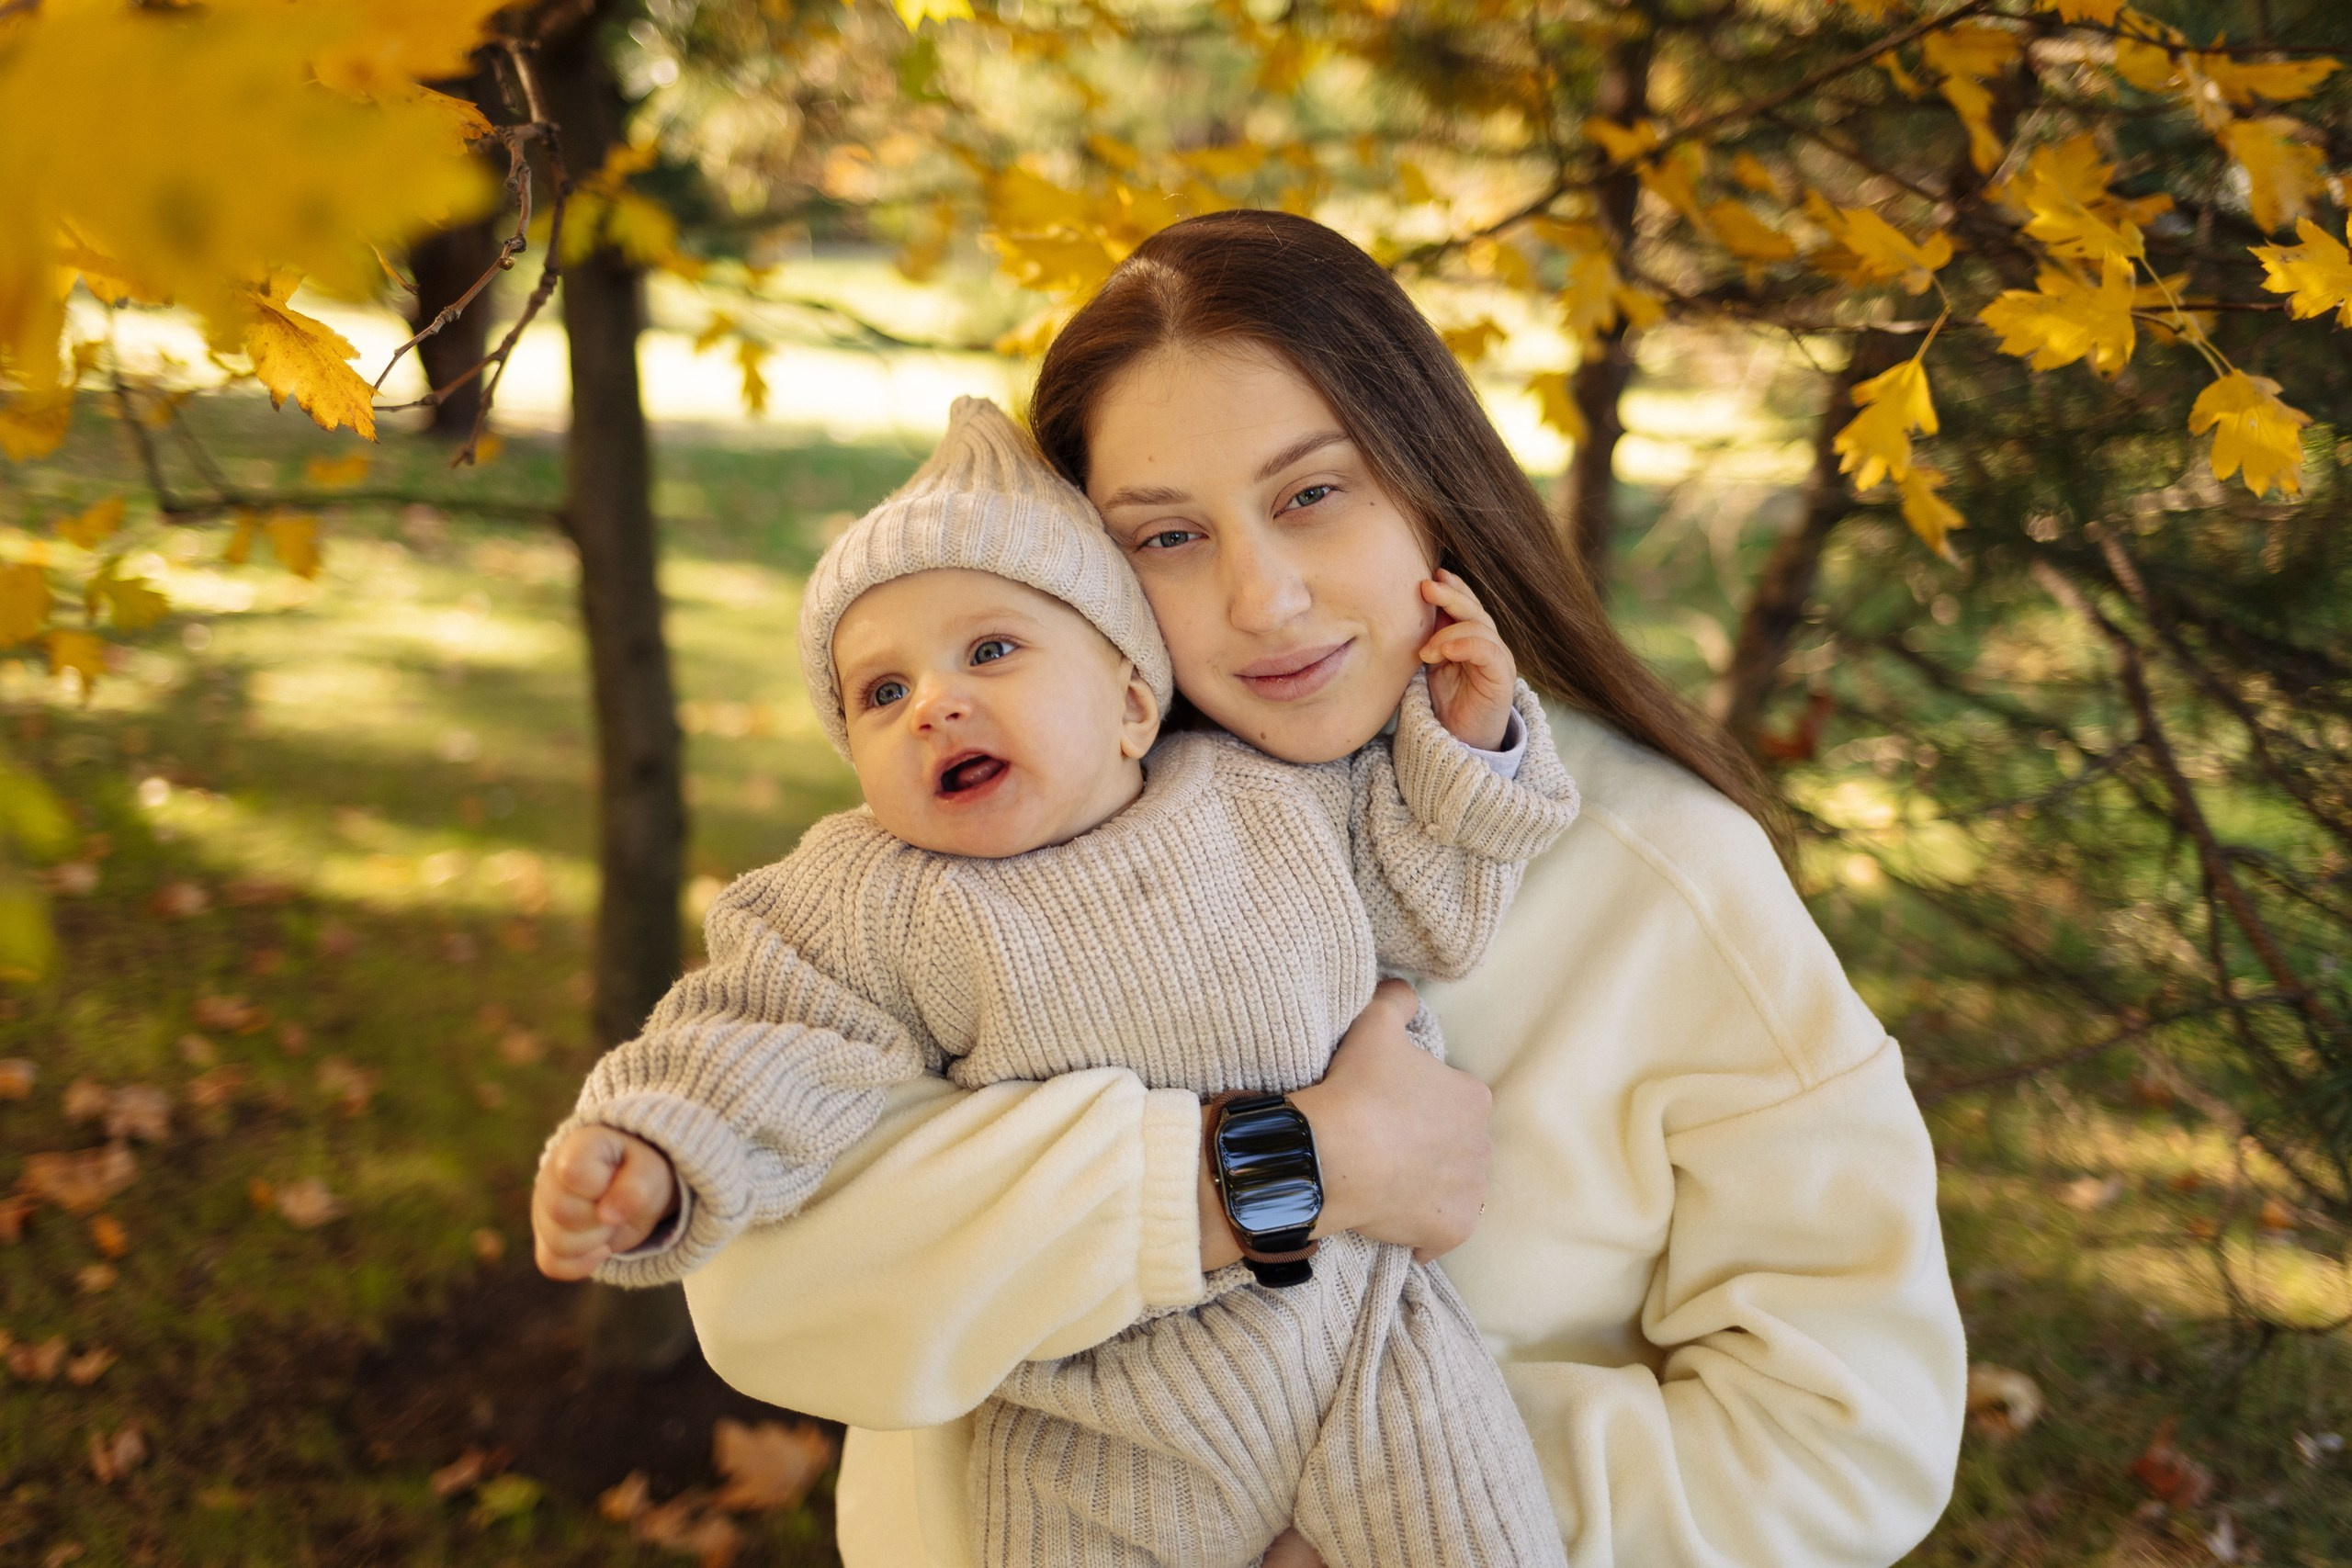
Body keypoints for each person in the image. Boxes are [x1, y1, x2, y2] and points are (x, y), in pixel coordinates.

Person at [680, 210, 1969, 1568]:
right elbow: (760, 1286)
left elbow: (1854, 1422)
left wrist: (1413, 1509)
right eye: (1167, 536)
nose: (1264, 599)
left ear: (1429, 481)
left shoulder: (1665, 873)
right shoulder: (982, 859)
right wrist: (1285, 1169)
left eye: (1311, 494)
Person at [530, 396, 1582, 1567]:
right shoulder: (881, 894)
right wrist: (659, 1149)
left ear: (1134, 701)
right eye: (880, 695)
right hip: (1100, 1412)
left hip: (1373, 1354)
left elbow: (1426, 907)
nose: (933, 701)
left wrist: (1465, 740)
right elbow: (763, 1030)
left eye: (989, 651)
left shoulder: (1269, 799)